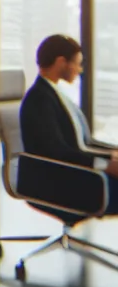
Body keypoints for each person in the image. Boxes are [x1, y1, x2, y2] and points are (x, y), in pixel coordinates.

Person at [21, 34, 118, 198]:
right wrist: (105, 164)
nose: (80, 70)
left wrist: (111, 154)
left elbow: (80, 144)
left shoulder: (53, 94)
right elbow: (56, 152)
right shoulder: (39, 99)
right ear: (61, 62)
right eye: (77, 64)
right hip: (59, 181)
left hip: (70, 173)